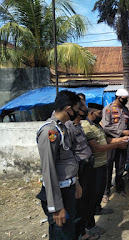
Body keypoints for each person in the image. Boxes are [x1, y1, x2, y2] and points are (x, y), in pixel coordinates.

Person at [36, 90, 82, 239]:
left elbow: (68, 159)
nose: (78, 112)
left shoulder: (62, 128)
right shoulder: (49, 131)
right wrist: (56, 207)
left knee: (69, 232)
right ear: (69, 109)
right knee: (61, 234)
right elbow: (48, 170)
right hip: (59, 194)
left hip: (68, 189)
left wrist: (76, 182)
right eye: (76, 108)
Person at [81, 103, 129, 236]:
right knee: (91, 196)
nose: (102, 115)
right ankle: (90, 225)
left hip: (101, 166)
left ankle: (97, 209)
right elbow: (97, 147)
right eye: (99, 113)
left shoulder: (97, 126)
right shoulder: (86, 126)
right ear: (91, 113)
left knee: (98, 192)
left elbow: (106, 140)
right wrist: (118, 144)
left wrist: (120, 139)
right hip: (93, 168)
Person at [65, 98, 99, 240]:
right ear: (74, 109)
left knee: (86, 199)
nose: (86, 109)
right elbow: (70, 152)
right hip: (79, 170)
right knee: (80, 203)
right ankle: (80, 233)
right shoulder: (69, 127)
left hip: (87, 166)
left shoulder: (79, 126)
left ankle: (83, 233)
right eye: (83, 107)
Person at [102, 89, 129, 198]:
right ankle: (106, 191)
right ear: (118, 98)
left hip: (123, 142)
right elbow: (106, 126)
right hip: (111, 142)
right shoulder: (108, 109)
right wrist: (121, 132)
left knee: (121, 165)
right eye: (124, 99)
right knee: (108, 166)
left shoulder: (126, 110)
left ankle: (119, 188)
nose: (126, 101)